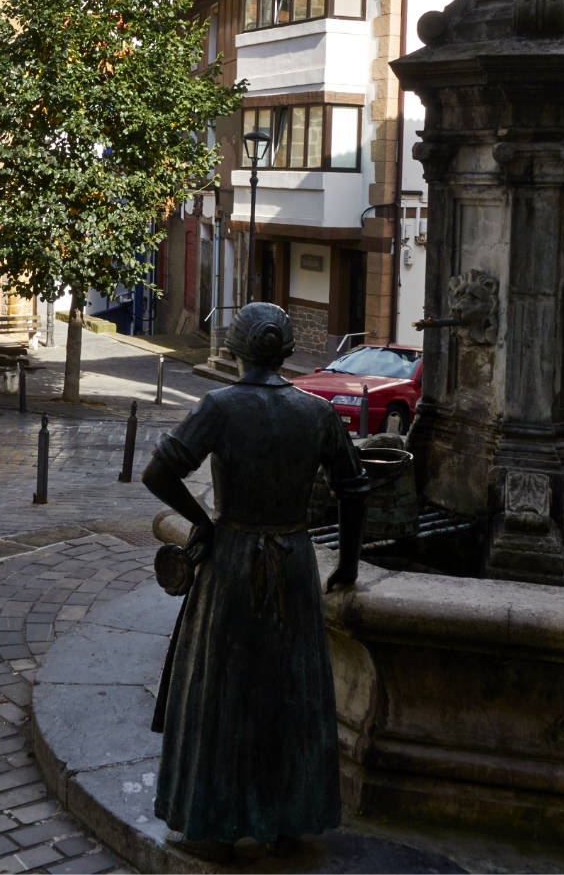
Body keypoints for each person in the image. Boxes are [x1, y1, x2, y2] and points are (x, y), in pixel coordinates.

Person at [143, 301, 368, 850]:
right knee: (291, 691)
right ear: (288, 350)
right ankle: (289, 819)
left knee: (224, 688)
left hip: (235, 560)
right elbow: (355, 488)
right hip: (293, 560)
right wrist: (349, 563)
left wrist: (203, 522)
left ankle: (217, 828)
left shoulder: (220, 405)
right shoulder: (315, 412)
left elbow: (159, 471)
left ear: (237, 350)